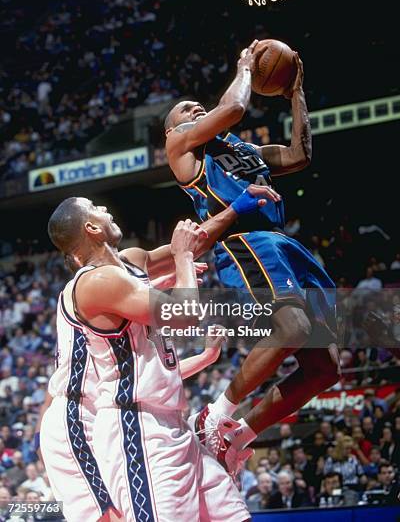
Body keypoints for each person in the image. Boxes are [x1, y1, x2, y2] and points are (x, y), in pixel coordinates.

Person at [43, 191, 272, 521]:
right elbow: (186, 312)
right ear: (92, 228)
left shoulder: (130, 262)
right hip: (136, 427)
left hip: (175, 424)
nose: (105, 207)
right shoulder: (97, 282)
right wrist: (182, 261)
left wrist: (237, 206)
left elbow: (194, 242)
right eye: (96, 208)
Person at [165, 40, 339, 468]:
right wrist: (246, 66)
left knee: (325, 368)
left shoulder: (241, 149)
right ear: (173, 129)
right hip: (243, 242)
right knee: (292, 325)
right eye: (186, 110)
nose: (195, 110)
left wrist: (295, 92)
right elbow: (235, 109)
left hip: (282, 243)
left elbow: (300, 155)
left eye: (197, 106)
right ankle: (216, 413)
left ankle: (238, 434)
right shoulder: (183, 147)